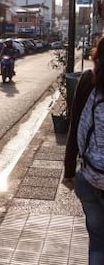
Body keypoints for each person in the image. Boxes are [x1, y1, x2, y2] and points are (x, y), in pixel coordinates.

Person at [62, 35, 104, 265]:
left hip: (89, 178)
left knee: (98, 242)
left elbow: (75, 127)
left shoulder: (88, 80)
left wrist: (69, 171)